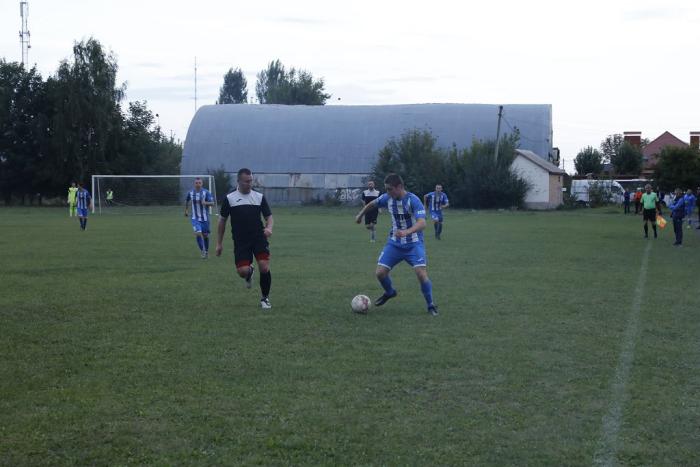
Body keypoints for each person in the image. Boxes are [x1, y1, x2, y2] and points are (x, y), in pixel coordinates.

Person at [355, 173, 438, 316]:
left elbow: (422, 223)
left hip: (414, 244)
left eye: (390, 189)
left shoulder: (413, 200)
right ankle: (390, 292)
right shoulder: (388, 198)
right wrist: (360, 215)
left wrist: (407, 232)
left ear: (399, 187)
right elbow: (372, 204)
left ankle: (431, 305)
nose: (387, 192)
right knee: (380, 273)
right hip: (394, 244)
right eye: (386, 189)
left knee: (421, 273)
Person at [216, 168, 274, 309]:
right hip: (241, 241)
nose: (249, 184)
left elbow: (269, 217)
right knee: (243, 271)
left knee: (264, 266)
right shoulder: (230, 198)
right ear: (238, 181)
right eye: (246, 181)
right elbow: (222, 221)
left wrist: (269, 228)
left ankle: (265, 298)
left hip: (258, 237)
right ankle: (249, 273)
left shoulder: (259, 197)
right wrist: (219, 243)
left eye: (251, 181)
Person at [184, 177, 215, 259]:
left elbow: (212, 203)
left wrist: (205, 203)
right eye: (196, 183)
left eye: (199, 183)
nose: (198, 184)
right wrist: (186, 210)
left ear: (202, 184)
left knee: (205, 235)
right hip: (195, 218)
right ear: (194, 184)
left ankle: (206, 251)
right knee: (198, 233)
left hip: (205, 218)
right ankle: (203, 251)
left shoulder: (206, 192)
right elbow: (187, 200)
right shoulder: (190, 193)